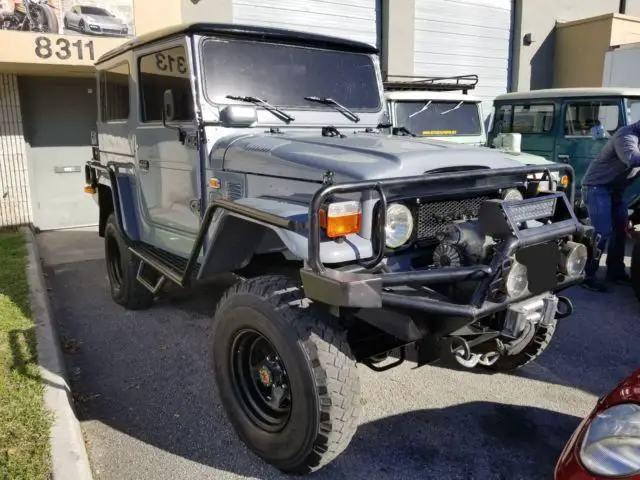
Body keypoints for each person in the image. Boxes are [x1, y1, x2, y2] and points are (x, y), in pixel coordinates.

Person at [580, 120, 640, 292]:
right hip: (597, 186)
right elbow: (632, 158)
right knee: (602, 231)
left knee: (621, 229)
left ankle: (615, 271)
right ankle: (586, 274)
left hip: (616, 189)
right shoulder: (626, 135)